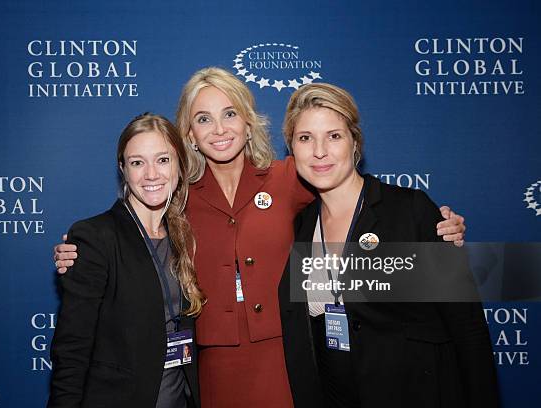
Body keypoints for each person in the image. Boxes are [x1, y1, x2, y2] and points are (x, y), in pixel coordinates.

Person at [53, 67, 466, 407]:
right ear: (189, 136)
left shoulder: (289, 178)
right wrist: (79, 253)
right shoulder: (177, 198)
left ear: (249, 121)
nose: (219, 129)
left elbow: (352, 196)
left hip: (288, 364)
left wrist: (430, 223)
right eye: (203, 119)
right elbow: (136, 239)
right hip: (212, 374)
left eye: (229, 113)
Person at [278, 83, 499, 407]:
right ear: (292, 148)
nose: (319, 151)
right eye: (305, 138)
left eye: (334, 136)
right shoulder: (301, 225)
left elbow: (469, 329)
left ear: (355, 142)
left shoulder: (411, 210)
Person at [48, 113, 204, 408]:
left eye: (162, 160)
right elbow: (72, 348)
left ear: (181, 166)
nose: (151, 174)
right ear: (123, 170)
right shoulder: (95, 236)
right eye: (137, 162)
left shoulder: (186, 235)